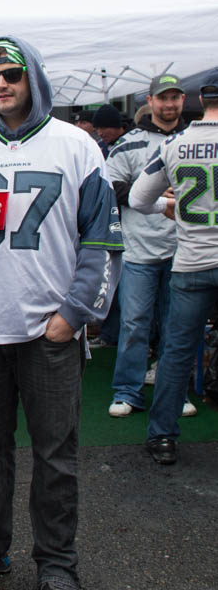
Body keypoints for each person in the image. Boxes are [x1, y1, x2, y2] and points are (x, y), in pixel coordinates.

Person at [0, 37, 122, 590]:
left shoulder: (78, 146)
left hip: (48, 333)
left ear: (33, 76)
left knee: (56, 456)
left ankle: (57, 562)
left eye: (11, 73)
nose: (1, 84)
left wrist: (74, 315)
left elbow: (102, 243)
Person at [128, 72, 218, 465]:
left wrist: (171, 207)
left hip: (191, 263)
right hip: (195, 262)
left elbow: (137, 199)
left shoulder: (174, 144)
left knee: (176, 352)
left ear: (199, 100)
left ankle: (162, 436)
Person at [106, 73, 192, 419]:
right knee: (134, 323)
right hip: (139, 250)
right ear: (150, 101)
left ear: (182, 100)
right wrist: (156, 196)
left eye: (174, 97)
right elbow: (109, 187)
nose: (169, 104)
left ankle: (175, 392)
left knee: (178, 326)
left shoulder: (194, 139)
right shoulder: (129, 143)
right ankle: (128, 391)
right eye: (163, 97)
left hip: (184, 251)